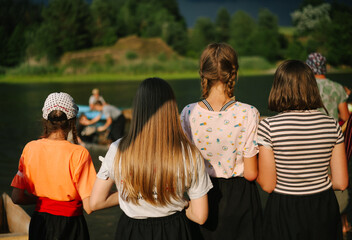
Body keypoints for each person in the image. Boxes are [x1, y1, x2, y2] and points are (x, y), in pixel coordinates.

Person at [89, 77, 213, 240]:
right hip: (174, 231)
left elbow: (96, 202)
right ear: (171, 108)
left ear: (139, 108)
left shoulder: (117, 149)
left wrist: (133, 193)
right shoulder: (188, 153)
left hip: (132, 231)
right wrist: (184, 203)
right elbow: (199, 216)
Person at [257, 60, 348, 240]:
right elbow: (341, 182)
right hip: (323, 206)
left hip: (284, 208)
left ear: (278, 88)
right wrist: (317, 177)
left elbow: (267, 184)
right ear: (311, 86)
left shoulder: (268, 126)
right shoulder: (332, 125)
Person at [180, 43, 262, 240]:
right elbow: (251, 173)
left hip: (201, 196)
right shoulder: (249, 113)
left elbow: (185, 168)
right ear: (234, 73)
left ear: (203, 73)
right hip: (241, 198)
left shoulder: (188, 113)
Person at [10, 92, 97, 240]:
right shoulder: (80, 153)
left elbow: (16, 197)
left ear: (46, 120)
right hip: (71, 225)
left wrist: (44, 200)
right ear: (72, 121)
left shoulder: (29, 148)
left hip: (39, 224)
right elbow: (89, 206)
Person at [306, 52, 350, 123]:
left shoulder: (305, 86)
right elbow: (345, 117)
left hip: (311, 130)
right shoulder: (338, 87)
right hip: (332, 131)